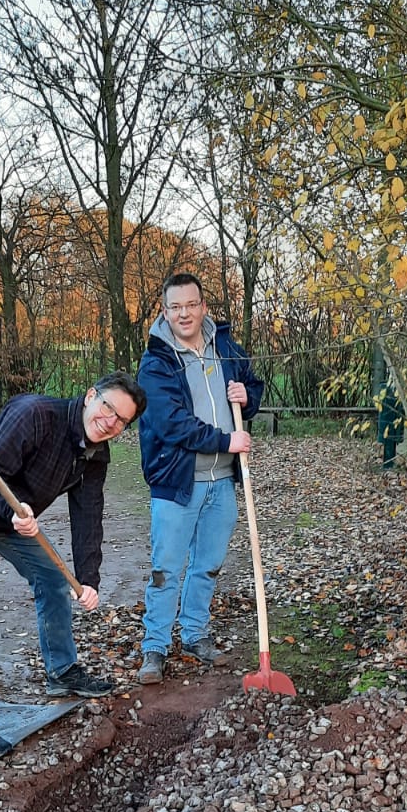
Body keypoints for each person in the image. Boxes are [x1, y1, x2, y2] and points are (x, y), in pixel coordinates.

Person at [0, 373, 145, 759]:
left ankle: (62, 671)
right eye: (108, 408)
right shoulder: (35, 414)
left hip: (12, 517)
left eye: (121, 421)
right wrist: (10, 513)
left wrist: (88, 579)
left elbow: (88, 515)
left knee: (53, 578)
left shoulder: (95, 453)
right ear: (91, 395)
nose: (110, 422)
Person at [135, 272, 264, 684]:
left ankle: (194, 634)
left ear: (203, 306)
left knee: (206, 565)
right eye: (175, 307)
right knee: (165, 569)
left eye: (191, 305)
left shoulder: (225, 347)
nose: (184, 313)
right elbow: (172, 424)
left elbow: (253, 384)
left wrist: (249, 396)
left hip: (222, 481)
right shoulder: (156, 362)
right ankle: (154, 647)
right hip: (176, 482)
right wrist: (227, 440)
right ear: (165, 310)